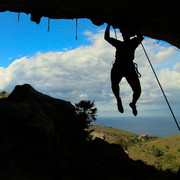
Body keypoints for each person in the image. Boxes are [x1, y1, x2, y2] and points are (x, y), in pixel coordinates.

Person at [104, 24, 143, 116]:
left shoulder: (125, 43)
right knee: (135, 90)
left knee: (136, 90)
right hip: (126, 67)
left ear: (128, 35)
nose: (124, 36)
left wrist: (108, 25)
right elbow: (140, 37)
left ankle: (131, 103)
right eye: (124, 34)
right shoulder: (132, 42)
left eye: (125, 34)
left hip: (120, 67)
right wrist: (136, 29)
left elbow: (107, 37)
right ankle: (121, 100)